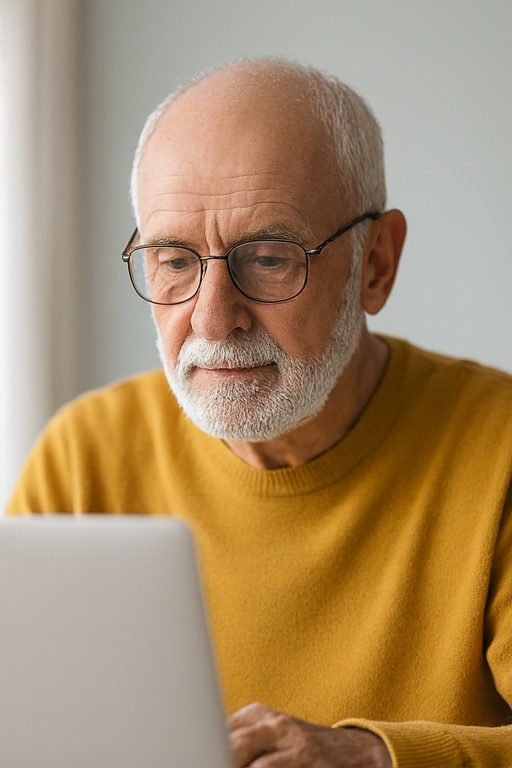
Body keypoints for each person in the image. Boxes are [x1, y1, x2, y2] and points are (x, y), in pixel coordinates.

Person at [6, 58, 512, 767]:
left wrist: (371, 757)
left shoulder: (500, 452)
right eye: (174, 260)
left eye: (270, 257)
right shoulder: (83, 456)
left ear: (376, 265)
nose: (213, 319)